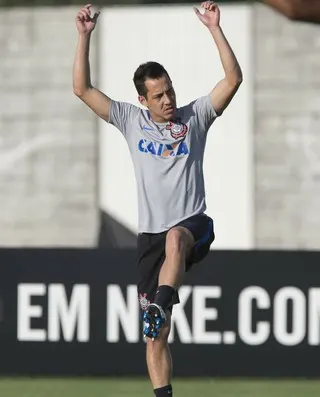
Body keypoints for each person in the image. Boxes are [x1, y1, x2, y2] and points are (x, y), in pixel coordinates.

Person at [73, 2, 242, 396]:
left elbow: (232, 79)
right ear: (143, 99)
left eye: (170, 91)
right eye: (158, 95)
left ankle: (161, 301)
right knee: (155, 339)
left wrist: (215, 28)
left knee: (175, 240)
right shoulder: (131, 121)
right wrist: (84, 37)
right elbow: (81, 90)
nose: (168, 100)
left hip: (192, 227)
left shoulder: (194, 118)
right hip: (150, 240)